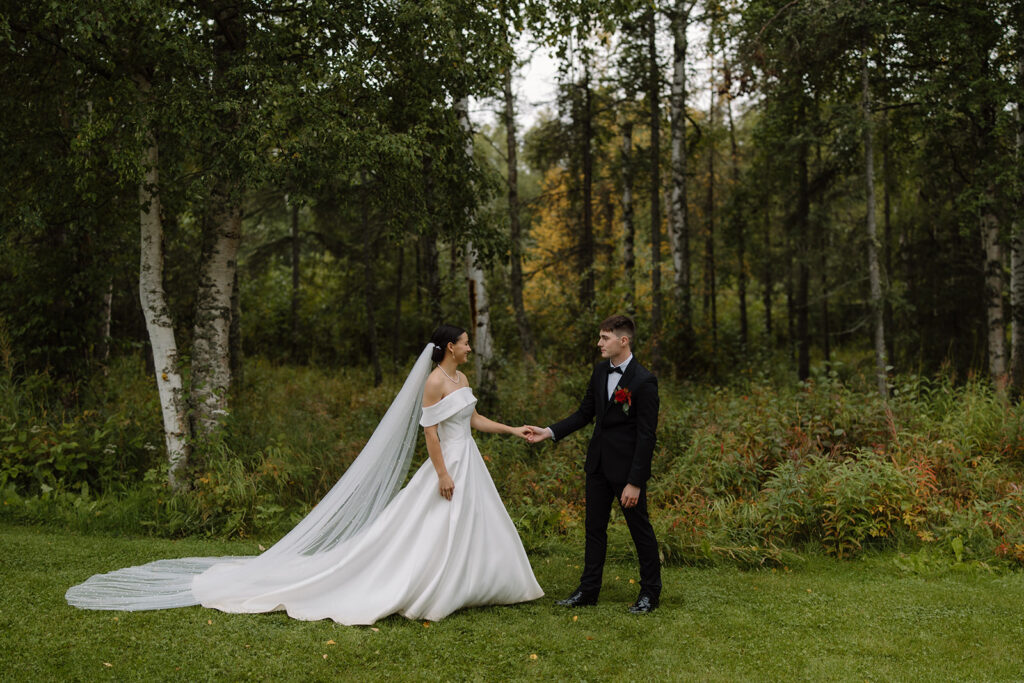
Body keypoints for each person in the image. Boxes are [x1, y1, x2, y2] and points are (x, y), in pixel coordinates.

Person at [66, 325, 543, 624]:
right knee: (430, 526)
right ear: (449, 347)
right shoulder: (435, 381)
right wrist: (441, 474)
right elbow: (432, 435)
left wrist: (510, 428)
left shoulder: (461, 381)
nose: (468, 348)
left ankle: (479, 582)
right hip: (449, 464)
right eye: (464, 342)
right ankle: (434, 589)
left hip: (470, 459)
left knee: (474, 526)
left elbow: (472, 419)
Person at [526, 315, 661, 614]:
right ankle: (588, 591)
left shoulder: (644, 381)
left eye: (604, 338)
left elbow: (646, 436)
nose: (599, 343)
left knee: (640, 531)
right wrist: (548, 431)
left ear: (623, 341)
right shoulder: (600, 372)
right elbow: (584, 413)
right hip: (597, 466)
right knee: (594, 529)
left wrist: (636, 481)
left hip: (627, 473)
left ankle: (650, 593)